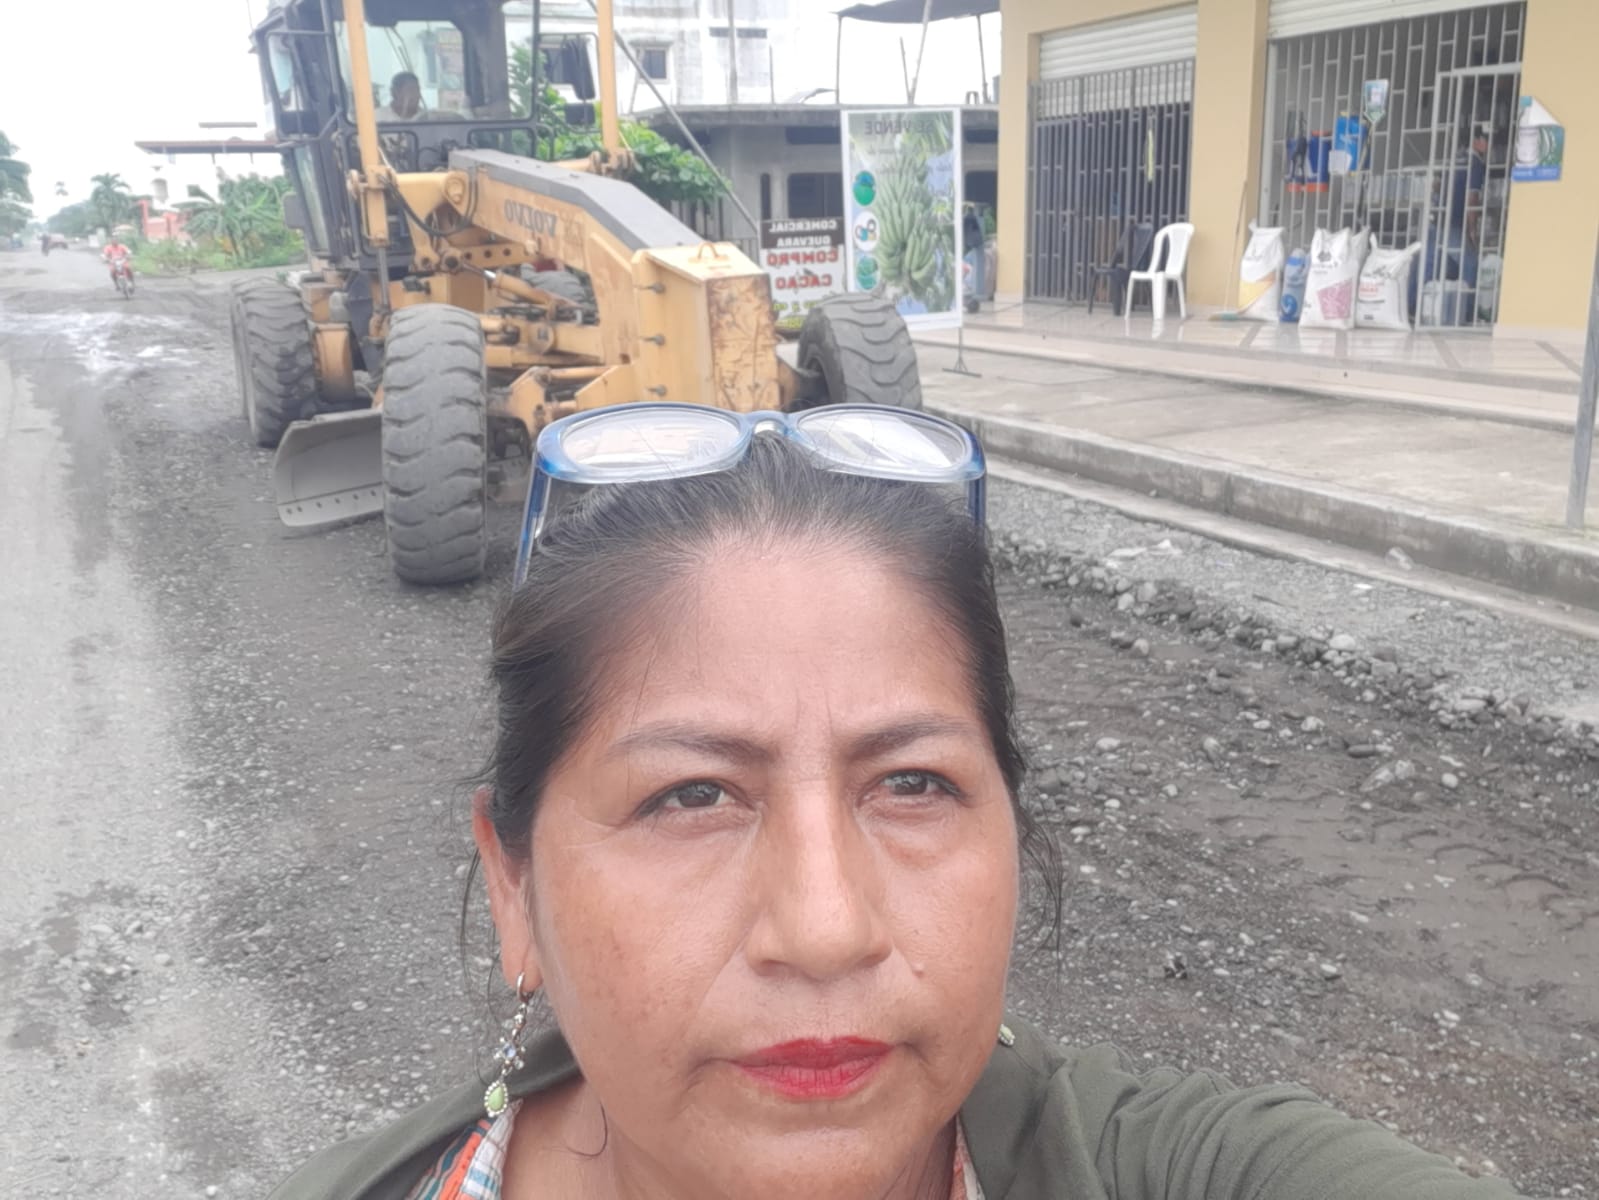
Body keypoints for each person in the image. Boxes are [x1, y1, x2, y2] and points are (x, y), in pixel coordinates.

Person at [270, 405, 1533, 1200]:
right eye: (691, 794)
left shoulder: (1178, 1170)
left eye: (913, 784)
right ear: (515, 889)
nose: (827, 929)